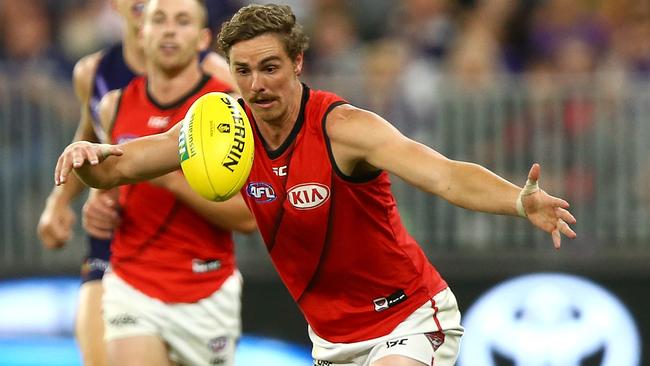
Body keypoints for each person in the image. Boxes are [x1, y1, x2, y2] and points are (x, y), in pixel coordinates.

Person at [54, 4, 577, 366]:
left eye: (269, 67)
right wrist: (88, 158)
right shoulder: (221, 129)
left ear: (298, 62)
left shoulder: (342, 128)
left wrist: (516, 199)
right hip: (330, 339)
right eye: (242, 71)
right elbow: (124, 164)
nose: (256, 85)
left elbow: (442, 173)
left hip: (408, 318)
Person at [36, 1, 235, 365]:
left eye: (179, 19)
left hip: (194, 260)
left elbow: (236, 173)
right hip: (117, 248)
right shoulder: (94, 73)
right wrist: (65, 201)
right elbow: (94, 138)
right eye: (156, 16)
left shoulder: (216, 79)